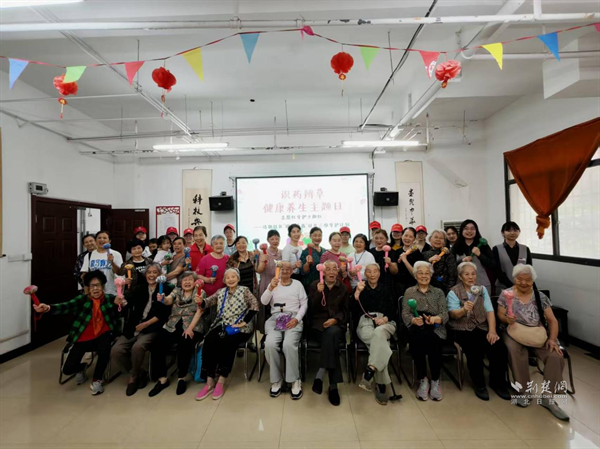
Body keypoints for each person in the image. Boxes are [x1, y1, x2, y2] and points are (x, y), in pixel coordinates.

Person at [497, 265, 569, 421]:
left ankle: (548, 397)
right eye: (519, 279)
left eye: (528, 280)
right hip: (513, 331)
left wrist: (552, 339)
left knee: (555, 356)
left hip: (537, 333)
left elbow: (552, 320)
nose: (523, 283)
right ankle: (524, 391)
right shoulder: (506, 294)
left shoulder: (539, 296)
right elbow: (500, 315)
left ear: (533, 280)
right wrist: (506, 319)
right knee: (514, 351)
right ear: (514, 279)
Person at [33, 271, 121, 396]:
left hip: (103, 335)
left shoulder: (109, 299)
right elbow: (66, 306)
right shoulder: (82, 300)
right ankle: (82, 367)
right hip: (83, 338)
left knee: (104, 349)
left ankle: (97, 379)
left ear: (103, 286)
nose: (95, 289)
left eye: (98, 285)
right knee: (67, 369)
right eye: (92, 286)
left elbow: (120, 309)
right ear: (88, 288)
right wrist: (47, 308)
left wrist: (122, 304)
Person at [447, 262, 510, 401]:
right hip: (462, 329)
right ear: (460, 276)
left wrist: (492, 331)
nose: (471, 277)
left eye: (473, 274)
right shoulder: (454, 292)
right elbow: (453, 315)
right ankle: (479, 384)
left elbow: (489, 311)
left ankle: (497, 383)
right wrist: (463, 310)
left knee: (498, 348)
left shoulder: (482, 289)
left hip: (482, 327)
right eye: (466, 274)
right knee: (474, 350)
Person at [195, 268, 259, 401]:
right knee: (209, 340)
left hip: (239, 328)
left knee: (228, 342)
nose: (230, 279)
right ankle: (209, 380)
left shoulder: (244, 290)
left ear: (238, 278)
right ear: (224, 280)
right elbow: (207, 302)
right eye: (228, 277)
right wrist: (201, 301)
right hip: (222, 324)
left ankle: (221, 380)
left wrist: (244, 322)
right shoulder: (221, 292)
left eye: (233, 277)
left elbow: (255, 305)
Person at [111, 263, 173, 396]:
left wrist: (145, 324)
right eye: (149, 272)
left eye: (155, 272)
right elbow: (128, 304)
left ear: (160, 275)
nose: (151, 275)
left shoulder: (165, 289)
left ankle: (133, 378)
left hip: (151, 327)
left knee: (137, 347)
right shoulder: (140, 288)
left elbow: (163, 314)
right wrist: (121, 302)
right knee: (116, 351)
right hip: (133, 326)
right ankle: (138, 372)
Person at [148, 271, 205, 397]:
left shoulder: (199, 291)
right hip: (172, 324)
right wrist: (163, 299)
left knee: (184, 343)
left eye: (190, 279)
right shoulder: (177, 290)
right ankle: (162, 379)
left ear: (195, 282)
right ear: (181, 282)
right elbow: (169, 300)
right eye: (184, 280)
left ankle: (181, 378)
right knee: (156, 343)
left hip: (192, 325)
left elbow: (200, 311)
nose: (187, 282)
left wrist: (190, 328)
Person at [402, 261, 448, 401]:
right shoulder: (409, 291)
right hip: (417, 326)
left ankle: (435, 380)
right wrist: (413, 320)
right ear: (415, 276)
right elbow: (405, 313)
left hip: (435, 326)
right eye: (420, 273)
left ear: (431, 275)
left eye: (427, 273)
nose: (424, 276)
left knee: (433, 339)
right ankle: (423, 379)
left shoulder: (438, 292)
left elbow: (445, 313)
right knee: (419, 338)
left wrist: (435, 319)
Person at [261, 261, 307, 399]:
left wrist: (297, 319)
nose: (285, 271)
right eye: (282, 269)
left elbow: (304, 304)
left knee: (288, 344)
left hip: (293, 317)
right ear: (278, 271)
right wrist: (270, 288)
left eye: (288, 269)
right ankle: (276, 380)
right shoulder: (273, 283)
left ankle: (294, 379)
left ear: (292, 271)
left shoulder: (297, 284)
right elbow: (263, 302)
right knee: (270, 344)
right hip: (276, 318)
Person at [353, 263, 397, 405]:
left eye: (375, 271)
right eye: (369, 272)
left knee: (379, 334)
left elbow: (394, 309)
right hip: (366, 322)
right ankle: (379, 382)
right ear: (365, 273)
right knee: (381, 344)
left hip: (386, 322)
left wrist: (385, 319)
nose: (372, 274)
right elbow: (352, 309)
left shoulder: (387, 288)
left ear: (379, 272)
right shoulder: (361, 287)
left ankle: (371, 372)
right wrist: (357, 293)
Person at [307, 261, 349, 406]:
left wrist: (335, 320)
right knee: (331, 340)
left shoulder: (343, 288)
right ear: (323, 272)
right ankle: (333, 386)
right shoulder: (315, 285)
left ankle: (321, 374)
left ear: (337, 272)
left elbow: (345, 311)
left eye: (334, 269)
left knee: (332, 334)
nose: (331, 272)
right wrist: (318, 294)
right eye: (328, 269)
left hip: (336, 325)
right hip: (318, 326)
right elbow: (310, 309)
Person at [452, 219, 496, 295]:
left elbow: (493, 265)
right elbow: (451, 267)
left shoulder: (483, 246)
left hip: (482, 283)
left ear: (476, 230)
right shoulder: (456, 247)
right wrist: (462, 262)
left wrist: (480, 255)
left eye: (472, 229)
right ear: (461, 230)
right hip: (462, 285)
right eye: (466, 228)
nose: (469, 231)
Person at [80, 230, 124, 296]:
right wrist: (87, 293)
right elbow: (85, 276)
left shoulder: (116, 254)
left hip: (112, 292)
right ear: (95, 240)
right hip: (95, 293)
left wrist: (112, 262)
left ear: (109, 241)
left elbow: (120, 273)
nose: (102, 240)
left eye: (104, 238)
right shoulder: (89, 255)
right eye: (99, 238)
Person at [493, 221, 532, 290]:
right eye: (509, 230)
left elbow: (529, 270)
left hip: (523, 287)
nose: (512, 233)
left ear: (519, 232)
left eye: (515, 230)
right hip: (503, 287)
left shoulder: (525, 249)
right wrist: (512, 286)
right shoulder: (496, 249)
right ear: (502, 232)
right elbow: (497, 271)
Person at [423, 230, 457, 294]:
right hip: (425, 287)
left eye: (441, 238)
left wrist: (449, 291)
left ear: (444, 242)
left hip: (443, 289)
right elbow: (420, 270)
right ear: (430, 239)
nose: (438, 240)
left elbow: (452, 276)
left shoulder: (448, 255)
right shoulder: (424, 254)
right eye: (436, 237)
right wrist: (429, 261)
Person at [395, 227, 425, 298]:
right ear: (402, 236)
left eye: (410, 237)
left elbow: (416, 275)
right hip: (398, 287)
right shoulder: (397, 252)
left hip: (412, 286)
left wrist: (405, 260)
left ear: (414, 239)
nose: (407, 238)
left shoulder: (417, 253)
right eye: (406, 235)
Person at [369, 229, 398, 295]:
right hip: (373, 284)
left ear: (386, 239)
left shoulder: (392, 252)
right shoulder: (370, 252)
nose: (379, 240)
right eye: (376, 238)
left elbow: (395, 272)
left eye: (381, 238)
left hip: (388, 284)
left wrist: (390, 263)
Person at [300, 227, 326, 292]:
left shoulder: (325, 251)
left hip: (323, 284)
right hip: (310, 284)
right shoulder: (306, 252)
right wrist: (307, 263)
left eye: (319, 235)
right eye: (315, 235)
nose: (317, 238)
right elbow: (303, 271)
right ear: (310, 236)